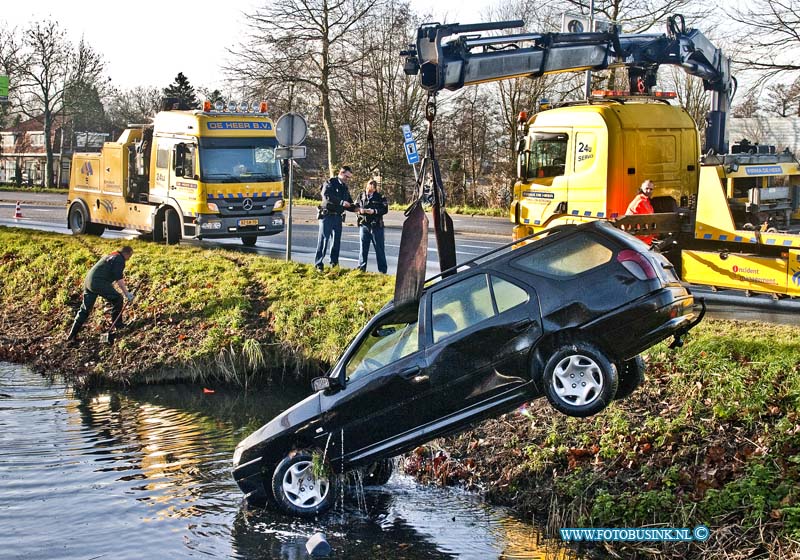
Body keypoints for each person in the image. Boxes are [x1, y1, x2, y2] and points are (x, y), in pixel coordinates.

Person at [66, 246, 135, 343]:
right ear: (127, 253)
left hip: (88, 282)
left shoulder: (111, 255)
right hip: (98, 282)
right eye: (130, 256)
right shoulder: (120, 259)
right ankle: (118, 325)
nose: (129, 259)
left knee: (85, 309)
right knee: (118, 298)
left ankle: (71, 335)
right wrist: (126, 293)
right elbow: (119, 278)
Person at [314, 166, 354, 272]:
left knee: (336, 241)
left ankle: (334, 264)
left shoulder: (344, 187)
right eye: (346, 176)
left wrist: (357, 208)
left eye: (349, 177)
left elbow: (349, 202)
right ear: (341, 173)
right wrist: (341, 202)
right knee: (323, 240)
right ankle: (318, 264)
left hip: (338, 217)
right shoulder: (330, 182)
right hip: (327, 215)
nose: (347, 179)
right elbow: (326, 196)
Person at [356, 180, 389, 273]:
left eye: (370, 190)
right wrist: (359, 210)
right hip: (364, 225)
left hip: (376, 226)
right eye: (367, 189)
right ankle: (361, 269)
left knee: (379, 249)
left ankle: (382, 271)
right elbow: (355, 206)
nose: (368, 192)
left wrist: (374, 211)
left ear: (374, 189)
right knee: (363, 248)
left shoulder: (380, 197)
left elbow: (385, 209)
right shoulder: (361, 195)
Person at [625, 179, 655, 245]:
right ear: (641, 188)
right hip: (639, 240)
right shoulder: (641, 201)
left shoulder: (643, 199)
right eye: (646, 188)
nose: (649, 191)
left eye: (651, 189)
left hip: (639, 238)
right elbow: (649, 219)